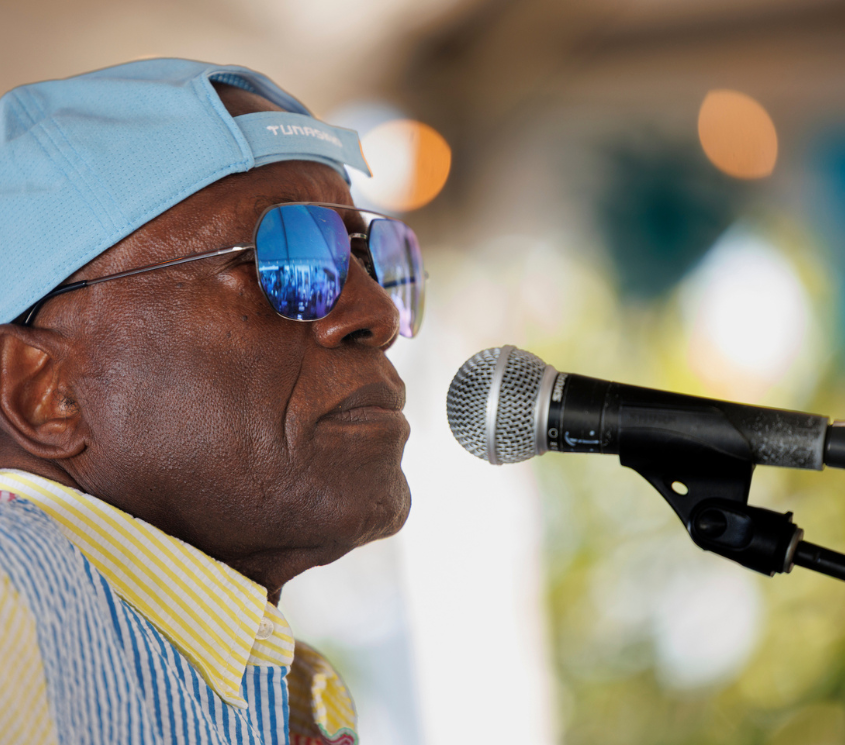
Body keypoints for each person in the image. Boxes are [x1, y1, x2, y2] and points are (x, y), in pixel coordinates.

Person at [0, 58, 424, 745]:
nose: (376, 312)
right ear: (43, 391)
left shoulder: (269, 683)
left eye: (374, 259)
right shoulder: (11, 609)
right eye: (285, 261)